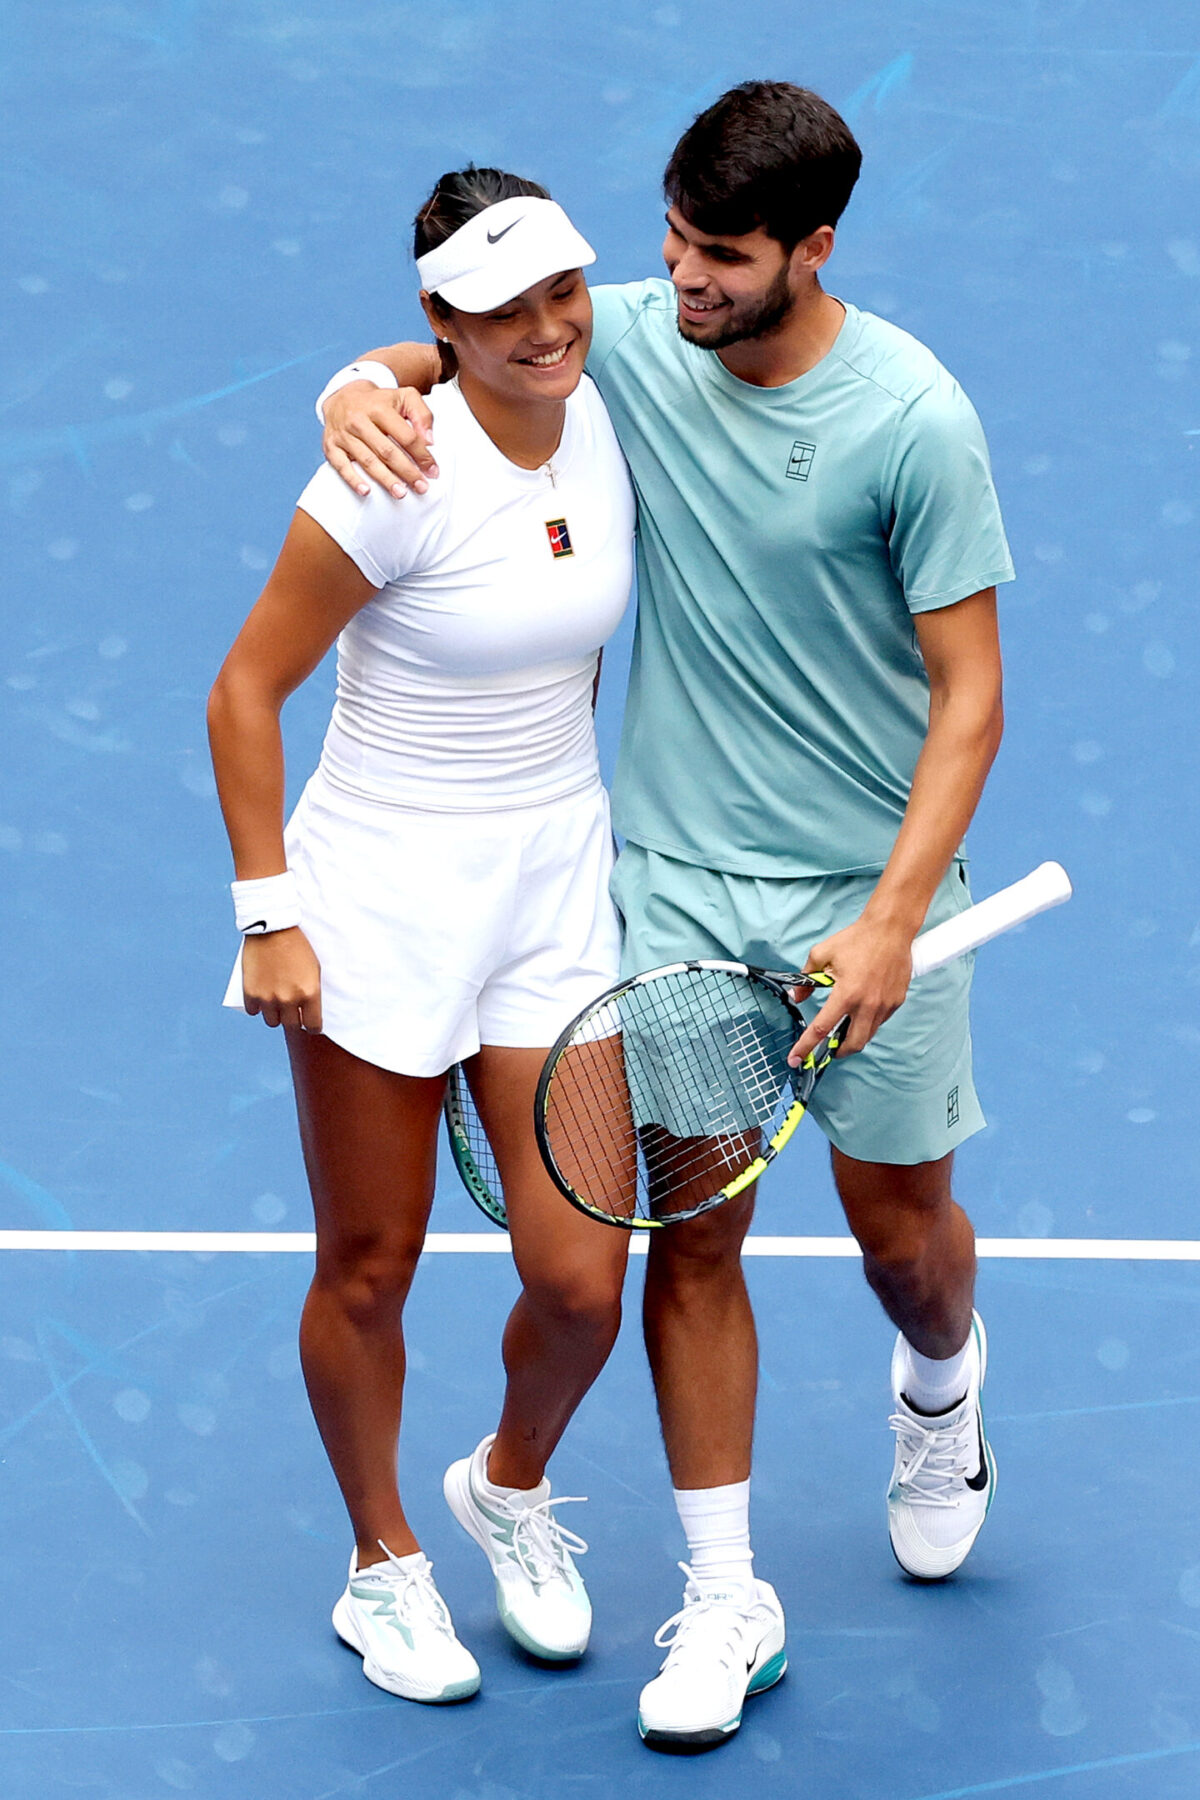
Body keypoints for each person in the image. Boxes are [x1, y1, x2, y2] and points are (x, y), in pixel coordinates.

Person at [315, 80, 1012, 1751]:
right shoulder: (631, 330)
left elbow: (971, 694)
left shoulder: (915, 418)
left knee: (903, 1245)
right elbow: (477, 350)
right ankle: (724, 1597)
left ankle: (943, 1393)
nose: (675, 285)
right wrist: (359, 381)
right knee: (690, 1244)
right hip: (686, 895)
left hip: (873, 897)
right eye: (674, 246)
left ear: (812, 250)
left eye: (720, 260)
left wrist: (896, 914)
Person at [207, 167, 637, 1707]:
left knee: (583, 1279)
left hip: (551, 886)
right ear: (441, 319)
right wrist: (271, 915)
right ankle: (383, 1565)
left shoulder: (611, 388)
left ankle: (507, 1485)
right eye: (501, 306)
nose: (546, 328)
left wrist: (358, 366)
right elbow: (243, 692)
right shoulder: (386, 477)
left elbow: (668, 325)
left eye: (562, 292)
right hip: (381, 891)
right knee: (373, 1264)